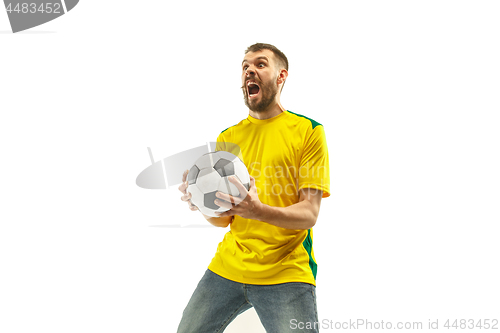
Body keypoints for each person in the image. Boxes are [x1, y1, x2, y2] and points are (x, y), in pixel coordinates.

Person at [177, 43, 330, 333]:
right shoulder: (229, 137)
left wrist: (258, 210)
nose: (250, 70)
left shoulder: (308, 131)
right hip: (229, 266)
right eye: (245, 66)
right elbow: (223, 219)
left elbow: (309, 214)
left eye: (260, 64)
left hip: (286, 271)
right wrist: (201, 203)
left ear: (281, 76)